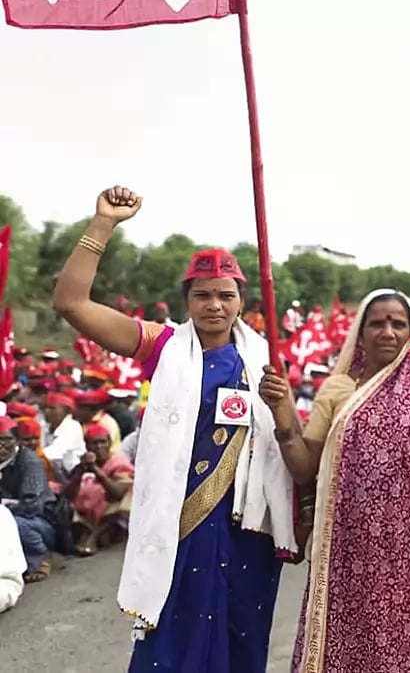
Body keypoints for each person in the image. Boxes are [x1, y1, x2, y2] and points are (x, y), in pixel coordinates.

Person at [52, 186, 296, 672]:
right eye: (202, 295)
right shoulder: (161, 347)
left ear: (241, 301)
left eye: (226, 295)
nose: (214, 305)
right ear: (185, 300)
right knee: (174, 647)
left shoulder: (264, 361)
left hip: (248, 530)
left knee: (241, 644)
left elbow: (286, 446)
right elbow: (71, 303)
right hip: (180, 524)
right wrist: (103, 224)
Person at [260, 289, 410, 673]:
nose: (387, 332)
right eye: (377, 323)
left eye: (398, 323)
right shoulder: (339, 390)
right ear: (361, 331)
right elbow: (305, 468)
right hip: (350, 551)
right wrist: (283, 414)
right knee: (350, 646)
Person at [62, 423, 134, 556]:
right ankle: (87, 535)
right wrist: (78, 475)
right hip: (86, 516)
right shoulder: (80, 467)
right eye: (94, 443)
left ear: (110, 443)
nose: (99, 447)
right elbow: (67, 496)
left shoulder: (119, 463)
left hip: (113, 516)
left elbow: (119, 493)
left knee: (127, 497)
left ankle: (93, 536)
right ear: (87, 446)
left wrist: (97, 471)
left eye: (103, 442)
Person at [0, 417, 57, 583]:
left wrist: (4, 510)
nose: (1, 445)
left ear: (17, 441)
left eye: (7, 439)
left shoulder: (30, 461)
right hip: (10, 514)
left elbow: (31, 505)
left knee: (16, 524)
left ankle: (40, 557)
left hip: (39, 521)